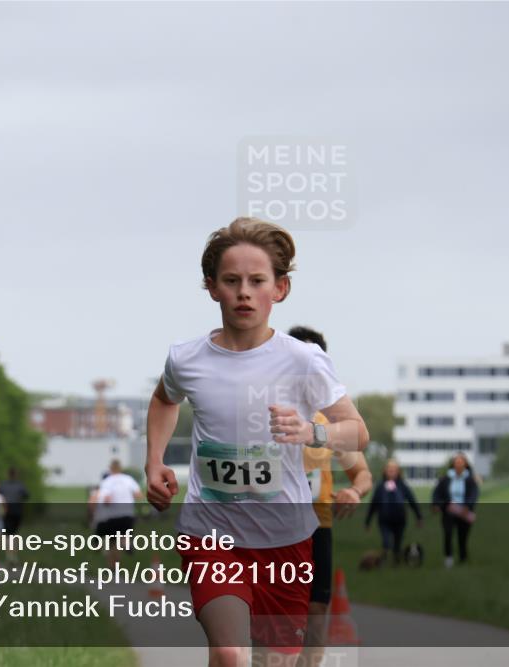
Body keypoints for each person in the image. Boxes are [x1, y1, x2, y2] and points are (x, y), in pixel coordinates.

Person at [144, 218, 370, 667]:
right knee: (230, 653)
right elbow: (164, 400)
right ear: (212, 288)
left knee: (274, 661)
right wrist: (153, 463)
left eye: (257, 281)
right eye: (231, 281)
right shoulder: (186, 359)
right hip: (211, 534)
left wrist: (312, 431)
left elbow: (358, 431)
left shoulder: (303, 360)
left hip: (286, 540)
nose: (244, 292)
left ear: (280, 289)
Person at [288, 326, 372, 667]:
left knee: (316, 608)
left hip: (317, 526)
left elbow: (363, 473)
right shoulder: (267, 413)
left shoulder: (329, 424)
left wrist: (354, 490)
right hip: (268, 526)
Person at [365, 459, 422, 565]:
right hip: (384, 519)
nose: (391, 472)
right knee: (386, 541)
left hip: (400, 519)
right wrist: (368, 521)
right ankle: (384, 559)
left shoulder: (403, 486)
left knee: (397, 542)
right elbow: (373, 504)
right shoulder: (380, 487)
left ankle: (396, 560)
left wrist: (418, 517)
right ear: (385, 471)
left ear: (398, 472)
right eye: (389, 470)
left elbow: (412, 500)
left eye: (394, 470)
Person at [431, 453, 479, 568]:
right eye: (456, 462)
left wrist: (467, 506)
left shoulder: (470, 479)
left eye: (461, 461)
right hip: (449, 510)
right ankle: (448, 558)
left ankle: (463, 558)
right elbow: (436, 493)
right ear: (453, 464)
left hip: (464, 511)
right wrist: (436, 504)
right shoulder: (445, 479)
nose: (458, 464)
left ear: (465, 464)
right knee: (448, 534)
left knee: (462, 537)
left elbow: (474, 494)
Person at [94, 459, 143, 566]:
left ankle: (113, 566)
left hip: (113, 516)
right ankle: (125, 544)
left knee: (112, 543)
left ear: (110, 468)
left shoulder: (107, 481)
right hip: (128, 514)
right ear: (121, 468)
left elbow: (106, 499)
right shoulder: (128, 479)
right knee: (124, 535)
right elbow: (138, 495)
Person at [0, 467, 30, 563]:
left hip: (7, 511)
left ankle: (9, 555)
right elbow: (26, 495)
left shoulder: (3, 485)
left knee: (8, 535)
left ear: (8, 474)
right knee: (14, 534)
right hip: (17, 511)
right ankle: (13, 555)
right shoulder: (20, 485)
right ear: (16, 475)